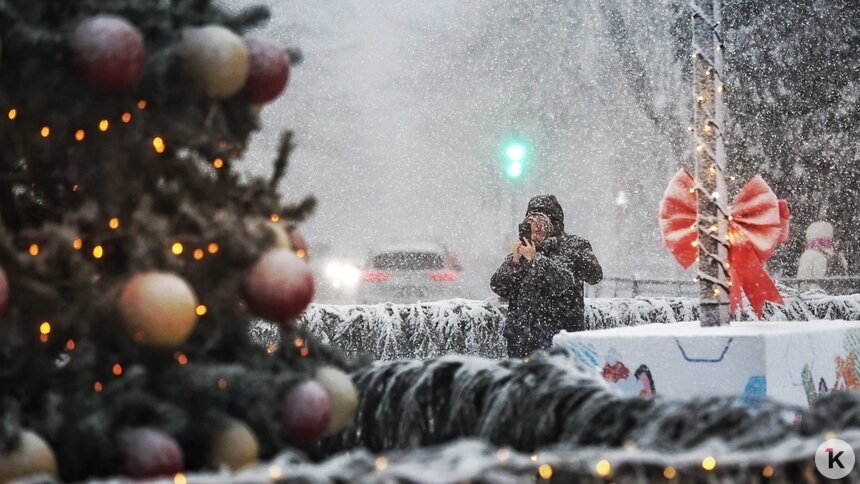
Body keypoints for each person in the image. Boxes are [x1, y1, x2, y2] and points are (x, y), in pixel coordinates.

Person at [491, 195, 603, 358]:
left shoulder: (572, 247)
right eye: (531, 229)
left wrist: (536, 259)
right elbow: (499, 286)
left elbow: (565, 282)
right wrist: (514, 263)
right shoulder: (523, 251)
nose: (535, 236)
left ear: (553, 225)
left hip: (558, 340)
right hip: (521, 342)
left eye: (540, 229)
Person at [796, 221, 850, 293]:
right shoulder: (837, 254)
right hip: (839, 297)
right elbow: (845, 276)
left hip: (818, 297)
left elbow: (802, 281)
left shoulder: (809, 254)